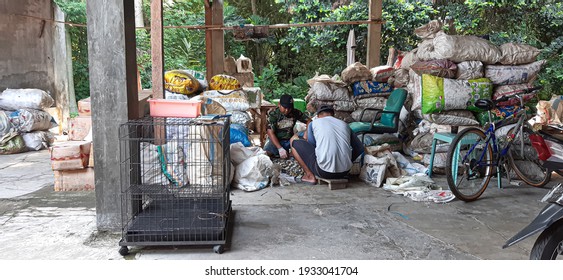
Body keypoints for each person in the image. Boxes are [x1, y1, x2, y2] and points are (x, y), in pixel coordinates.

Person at [291, 105, 364, 184]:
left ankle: (310, 176)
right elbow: (360, 148)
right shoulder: (345, 124)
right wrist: (347, 161)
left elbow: (312, 145)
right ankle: (342, 165)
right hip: (344, 172)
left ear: (318, 116)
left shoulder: (313, 123)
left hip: (324, 172)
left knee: (294, 141)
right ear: (333, 115)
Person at [264, 94, 311, 159]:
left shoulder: (295, 112)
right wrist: (280, 148)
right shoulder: (273, 114)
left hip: (290, 140)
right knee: (265, 155)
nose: (287, 110)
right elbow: (270, 132)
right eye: (285, 108)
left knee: (301, 151)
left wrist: (306, 133)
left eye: (289, 108)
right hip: (275, 141)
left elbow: (309, 121)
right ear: (279, 104)